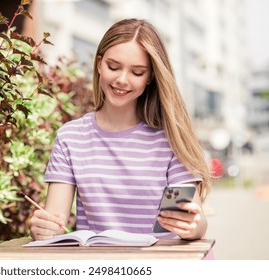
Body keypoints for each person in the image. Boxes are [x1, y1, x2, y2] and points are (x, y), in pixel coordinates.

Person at [30, 19, 211, 241]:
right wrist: (45, 229)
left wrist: (195, 225)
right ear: (99, 64)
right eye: (113, 67)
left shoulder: (168, 139)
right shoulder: (71, 138)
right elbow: (55, 220)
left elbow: (188, 216)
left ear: (150, 77)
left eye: (137, 72)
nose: (122, 80)